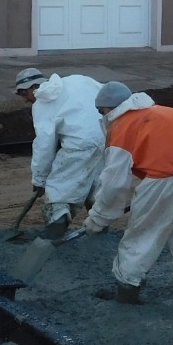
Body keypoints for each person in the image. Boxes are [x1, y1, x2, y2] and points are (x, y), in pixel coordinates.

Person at [85, 81, 173, 305]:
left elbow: (114, 184)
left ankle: (127, 288)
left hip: (165, 179)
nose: (102, 115)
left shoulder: (123, 126)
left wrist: (98, 218)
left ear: (109, 109)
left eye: (101, 111)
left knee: (144, 234)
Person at [14, 67, 105, 238]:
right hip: (105, 137)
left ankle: (53, 237)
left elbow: (44, 145)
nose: (26, 100)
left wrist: (39, 179)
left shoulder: (42, 103)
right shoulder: (78, 79)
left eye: (23, 95)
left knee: (59, 191)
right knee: (95, 187)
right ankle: (100, 231)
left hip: (78, 146)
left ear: (31, 88)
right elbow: (107, 94)